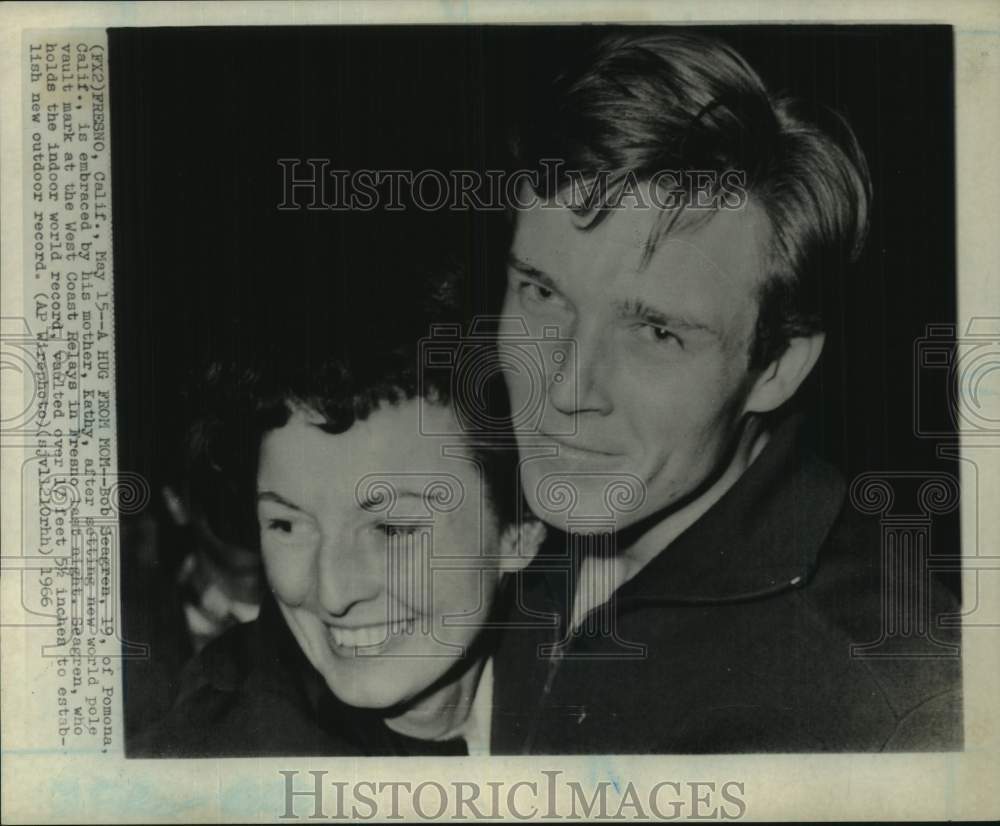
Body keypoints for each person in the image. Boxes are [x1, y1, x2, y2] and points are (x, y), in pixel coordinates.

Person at [489, 31, 962, 753]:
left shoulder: (893, 704)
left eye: (656, 333)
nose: (563, 389)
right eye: (543, 293)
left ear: (778, 367)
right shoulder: (498, 509)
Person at [132, 265, 545, 757]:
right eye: (286, 524)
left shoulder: (606, 682)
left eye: (392, 527)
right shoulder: (222, 759)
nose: (333, 593)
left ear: (521, 530)